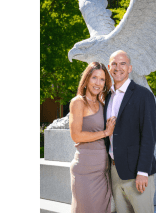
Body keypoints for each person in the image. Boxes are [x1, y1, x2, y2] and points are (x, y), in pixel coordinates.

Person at [104, 50, 156, 213]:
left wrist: (143, 171)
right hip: (115, 172)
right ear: (108, 67)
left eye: (123, 63)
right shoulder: (107, 97)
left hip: (137, 174)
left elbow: (149, 136)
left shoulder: (143, 95)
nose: (118, 67)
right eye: (114, 63)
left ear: (130, 68)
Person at [69, 62, 116, 213]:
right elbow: (76, 135)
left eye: (102, 79)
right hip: (85, 171)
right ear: (87, 79)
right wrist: (105, 132)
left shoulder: (102, 104)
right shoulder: (78, 102)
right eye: (94, 77)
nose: (98, 83)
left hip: (103, 171)